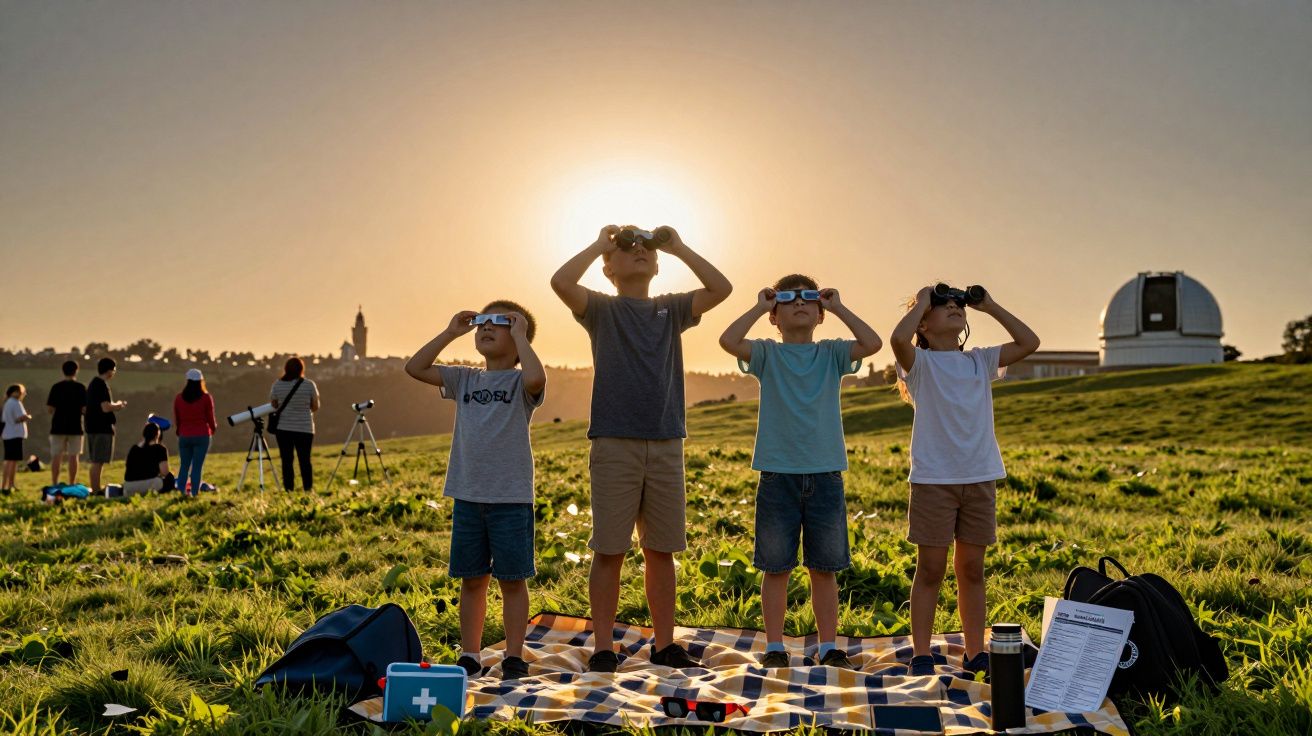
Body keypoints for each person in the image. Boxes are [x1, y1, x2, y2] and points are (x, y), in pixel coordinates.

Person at [550, 224, 732, 672]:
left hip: (667, 441)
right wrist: (599, 244)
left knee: (661, 550)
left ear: (657, 266)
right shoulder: (601, 309)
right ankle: (603, 648)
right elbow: (560, 283)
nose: (640, 254)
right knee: (609, 549)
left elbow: (721, 288)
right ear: (608, 270)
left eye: (647, 252)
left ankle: (666, 644)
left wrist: (677, 245)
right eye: (627, 251)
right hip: (614, 442)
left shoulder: (671, 310)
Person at [718, 274, 883, 669]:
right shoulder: (767, 354)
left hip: (826, 473)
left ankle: (829, 647)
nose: (798, 304)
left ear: (820, 314)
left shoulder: (831, 352)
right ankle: (775, 646)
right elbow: (727, 340)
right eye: (788, 300)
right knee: (776, 567)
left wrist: (839, 305)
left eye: (809, 299)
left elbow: (873, 343)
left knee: (823, 568)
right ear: (774, 317)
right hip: (777, 474)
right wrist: (759, 305)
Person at [889, 284, 1040, 677]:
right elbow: (896, 338)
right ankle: (921, 653)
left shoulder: (980, 361)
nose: (954, 306)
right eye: (944, 305)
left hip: (979, 478)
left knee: (972, 569)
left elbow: (1029, 341)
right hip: (934, 481)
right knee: (931, 569)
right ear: (924, 322)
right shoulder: (919, 364)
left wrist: (989, 305)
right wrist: (923, 300)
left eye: (958, 304)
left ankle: (975, 653)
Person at [405, 300, 546, 681]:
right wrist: (452, 332)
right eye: (482, 322)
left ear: (517, 337)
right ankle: (470, 653)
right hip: (468, 496)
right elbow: (415, 367)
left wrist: (521, 335)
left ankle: (514, 654)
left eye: (499, 323)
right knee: (472, 579)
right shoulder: (465, 379)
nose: (486, 327)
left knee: (513, 580)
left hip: (511, 500)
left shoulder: (520, 382)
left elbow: (536, 379)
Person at [269, 357, 320, 492]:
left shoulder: (277, 385)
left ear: (285, 369)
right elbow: (315, 407)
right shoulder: (309, 385)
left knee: (287, 461)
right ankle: (308, 489)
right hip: (305, 428)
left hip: (283, 428)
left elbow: (274, 405)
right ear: (301, 369)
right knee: (305, 461)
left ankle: (289, 490)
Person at [85, 357, 127, 492]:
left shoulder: (92, 384)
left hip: (91, 426)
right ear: (109, 371)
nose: (113, 373)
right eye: (114, 370)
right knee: (99, 461)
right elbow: (105, 407)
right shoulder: (101, 385)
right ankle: (96, 489)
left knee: (95, 461)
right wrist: (119, 406)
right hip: (102, 428)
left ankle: (95, 487)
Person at [173, 368, 216, 497]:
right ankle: (194, 493)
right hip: (202, 435)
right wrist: (212, 429)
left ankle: (181, 493)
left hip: (184, 435)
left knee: (184, 466)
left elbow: (177, 418)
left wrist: (179, 431)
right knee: (197, 467)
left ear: (187, 381)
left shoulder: (179, 398)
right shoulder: (206, 397)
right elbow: (210, 417)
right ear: (200, 381)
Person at [45, 360, 87, 486]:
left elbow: (50, 409)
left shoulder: (56, 387)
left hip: (58, 426)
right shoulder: (81, 387)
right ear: (76, 371)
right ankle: (72, 482)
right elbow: (85, 409)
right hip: (75, 426)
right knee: (74, 457)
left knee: (56, 456)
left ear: (63, 371)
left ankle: (54, 482)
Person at [122, 421, 173, 496]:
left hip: (128, 487)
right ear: (157, 435)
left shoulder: (134, 448)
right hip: (150, 485)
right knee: (170, 479)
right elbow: (164, 472)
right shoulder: (160, 449)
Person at [2, 385, 32, 492]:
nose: (23, 395)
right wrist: (28, 416)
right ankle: (10, 485)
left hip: (7, 434)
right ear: (15, 392)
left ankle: (5, 485)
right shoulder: (16, 403)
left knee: (8, 460)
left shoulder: (8, 403)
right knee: (12, 461)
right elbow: (20, 418)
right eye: (22, 392)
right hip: (14, 435)